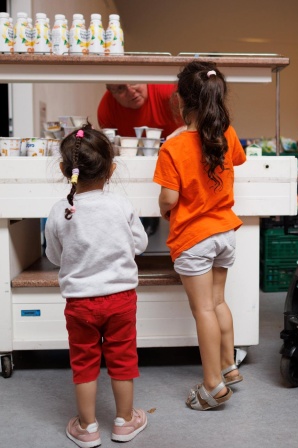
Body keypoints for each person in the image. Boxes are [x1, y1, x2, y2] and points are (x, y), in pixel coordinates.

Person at [45, 123, 149, 447]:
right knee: (122, 358)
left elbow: (53, 256)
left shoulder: (61, 211)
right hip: (120, 299)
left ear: (65, 170)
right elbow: (141, 244)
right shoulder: (121, 205)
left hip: (79, 304)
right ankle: (125, 421)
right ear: (111, 168)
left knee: (84, 363)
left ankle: (87, 427)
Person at [153, 60, 246, 411]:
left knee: (203, 309)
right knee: (219, 301)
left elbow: (169, 199)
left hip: (194, 238)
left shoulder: (173, 148)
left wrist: (165, 209)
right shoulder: (227, 133)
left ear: (180, 100)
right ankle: (229, 366)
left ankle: (212, 385)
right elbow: (235, 160)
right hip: (225, 232)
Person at [97, 83, 183, 138]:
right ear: (112, 93)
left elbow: (196, 118)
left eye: (134, 82)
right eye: (120, 88)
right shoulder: (106, 110)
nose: (131, 92)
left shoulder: (168, 91)